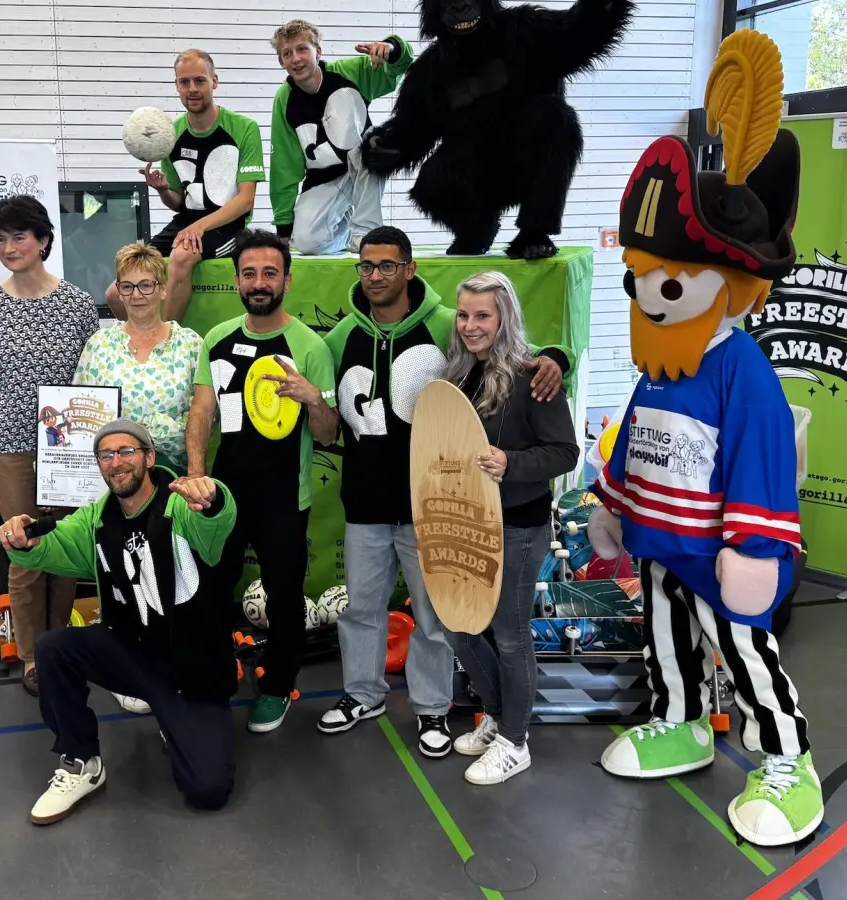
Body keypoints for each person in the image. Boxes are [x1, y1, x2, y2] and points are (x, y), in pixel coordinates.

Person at [590, 27, 821, 847]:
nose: (651, 295)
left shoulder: (742, 372)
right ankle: (682, 724)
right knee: (665, 645)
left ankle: (786, 757)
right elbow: (636, 437)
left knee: (745, 654)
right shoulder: (664, 359)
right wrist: (612, 505)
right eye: (642, 279)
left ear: (726, 281)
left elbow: (763, 470)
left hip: (722, 553)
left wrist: (756, 556)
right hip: (661, 544)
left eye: (671, 280)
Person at [318, 226, 570, 756]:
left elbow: (540, 373)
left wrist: (556, 359)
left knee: (460, 622)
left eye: (388, 265)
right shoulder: (371, 342)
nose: (471, 325)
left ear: (410, 269)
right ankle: (374, 696)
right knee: (399, 615)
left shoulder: (460, 338)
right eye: (367, 265)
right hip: (396, 506)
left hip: (452, 513)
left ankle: (451, 715)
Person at [0, 419, 238, 825]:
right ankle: (81, 762)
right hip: (133, 655)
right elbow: (52, 546)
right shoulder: (97, 518)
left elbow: (216, 519)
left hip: (190, 667)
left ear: (149, 457)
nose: (116, 462)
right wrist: (25, 541)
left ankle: (174, 719)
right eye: (106, 455)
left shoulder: (179, 504)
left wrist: (213, 499)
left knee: (207, 791)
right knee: (54, 648)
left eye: (126, 451)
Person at [186, 228, 337, 734]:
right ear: (236, 281)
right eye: (249, 273)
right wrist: (196, 477)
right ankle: (211, 674)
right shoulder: (218, 338)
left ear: (287, 280)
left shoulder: (309, 346)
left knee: (285, 597)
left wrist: (312, 398)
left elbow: (329, 433)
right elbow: (202, 412)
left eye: (269, 272)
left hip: (283, 499)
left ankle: (277, 688)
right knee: (210, 591)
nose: (259, 281)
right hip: (225, 496)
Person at [443, 271, 580, 785]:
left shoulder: (532, 377)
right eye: (464, 315)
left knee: (510, 635)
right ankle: (500, 717)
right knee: (460, 626)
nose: (471, 325)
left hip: (519, 527)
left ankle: (515, 742)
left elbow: (566, 452)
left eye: (483, 315)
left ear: (505, 319)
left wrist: (511, 464)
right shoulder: (460, 375)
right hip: (466, 522)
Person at [0, 193, 100, 696]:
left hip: (67, 446)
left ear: (43, 240)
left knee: (63, 548)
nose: (9, 247)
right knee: (23, 549)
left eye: (19, 236)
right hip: (10, 446)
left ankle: (60, 647)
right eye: (0, 239)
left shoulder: (76, 304)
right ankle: (31, 658)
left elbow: (87, 375)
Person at [106, 49, 265, 324]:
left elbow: (246, 200)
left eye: (199, 81)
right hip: (186, 222)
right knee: (113, 293)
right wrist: (164, 190)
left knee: (181, 257)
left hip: (227, 226)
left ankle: (167, 343)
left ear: (214, 81)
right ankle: (147, 337)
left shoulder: (244, 128)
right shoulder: (170, 134)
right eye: (184, 82)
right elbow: (179, 202)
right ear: (177, 86)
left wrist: (200, 227)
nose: (192, 89)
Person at [269, 20, 414, 255]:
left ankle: (366, 233)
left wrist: (392, 49)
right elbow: (284, 165)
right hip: (323, 177)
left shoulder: (350, 72)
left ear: (318, 51)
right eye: (287, 53)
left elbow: (400, 66)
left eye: (302, 49)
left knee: (374, 144)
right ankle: (345, 233)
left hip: (362, 164)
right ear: (281, 62)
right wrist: (283, 226)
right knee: (306, 243)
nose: (296, 58)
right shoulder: (284, 100)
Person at [74, 241, 204, 476]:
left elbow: (206, 414)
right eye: (127, 286)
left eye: (146, 285)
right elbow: (79, 413)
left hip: (172, 475)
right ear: (119, 292)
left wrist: (152, 434)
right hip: (109, 477)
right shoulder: (99, 345)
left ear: (163, 289)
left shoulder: (190, 344)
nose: (136, 295)